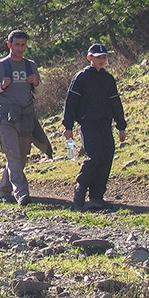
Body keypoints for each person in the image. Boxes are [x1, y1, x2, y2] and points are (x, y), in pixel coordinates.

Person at [0, 30, 44, 206]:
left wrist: (37, 83)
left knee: (20, 157)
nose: (20, 48)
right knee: (13, 155)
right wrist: (1, 86)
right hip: (5, 118)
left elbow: (38, 92)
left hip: (26, 117)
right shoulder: (0, 66)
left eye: (23, 44)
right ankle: (21, 193)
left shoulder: (30, 65)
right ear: (9, 45)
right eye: (17, 44)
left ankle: (3, 189)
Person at [62, 43, 127, 210]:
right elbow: (71, 102)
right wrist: (67, 126)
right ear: (89, 58)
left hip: (105, 122)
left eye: (104, 57)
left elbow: (115, 102)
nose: (102, 60)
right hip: (87, 122)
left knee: (107, 156)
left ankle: (97, 196)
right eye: (98, 57)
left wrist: (121, 125)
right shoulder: (81, 77)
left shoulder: (108, 79)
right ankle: (80, 187)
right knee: (95, 156)